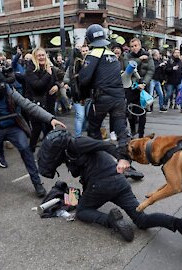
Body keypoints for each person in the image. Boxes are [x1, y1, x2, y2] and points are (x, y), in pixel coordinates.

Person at [37, 129, 182, 245]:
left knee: (82, 212)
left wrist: (121, 159)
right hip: (118, 182)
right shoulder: (68, 153)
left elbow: (106, 146)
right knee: (141, 220)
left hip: (100, 184)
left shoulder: (77, 143)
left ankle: (111, 220)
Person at [0, 70, 66, 199]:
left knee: (25, 149)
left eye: (1, 87)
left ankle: (37, 184)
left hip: (13, 127)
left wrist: (50, 118)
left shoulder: (10, 92)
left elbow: (30, 106)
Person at [78, 24, 144, 180]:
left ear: (89, 39)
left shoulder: (94, 53)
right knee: (122, 132)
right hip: (119, 98)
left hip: (102, 99)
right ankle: (126, 163)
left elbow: (84, 79)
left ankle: (99, 163)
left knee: (93, 130)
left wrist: (82, 93)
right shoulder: (112, 55)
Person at [123, 38, 155, 137]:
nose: (134, 48)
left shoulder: (148, 56)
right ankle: (133, 130)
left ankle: (141, 134)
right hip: (131, 86)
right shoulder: (127, 56)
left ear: (140, 46)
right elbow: (127, 68)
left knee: (142, 112)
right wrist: (139, 59)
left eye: (136, 46)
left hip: (143, 87)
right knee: (130, 112)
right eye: (132, 46)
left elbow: (150, 70)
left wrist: (144, 83)